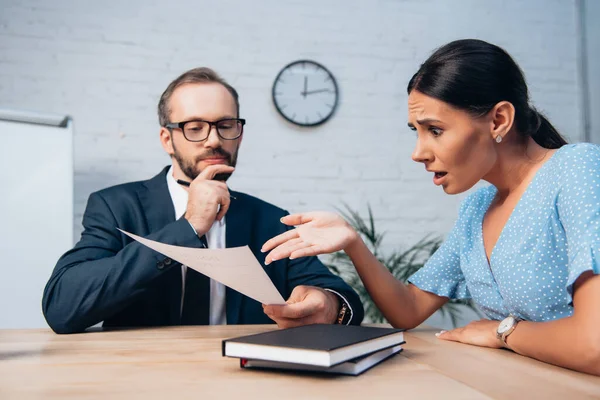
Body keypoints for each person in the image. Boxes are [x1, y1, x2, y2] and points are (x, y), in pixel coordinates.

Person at [262, 39, 600, 376]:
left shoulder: (577, 169)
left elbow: (593, 346)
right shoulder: (478, 207)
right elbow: (408, 310)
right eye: (417, 131)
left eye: (435, 130)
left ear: (498, 120)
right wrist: (352, 241)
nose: (418, 152)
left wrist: (504, 333)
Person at [42, 67, 363, 334]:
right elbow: (62, 306)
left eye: (226, 126)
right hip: (142, 378)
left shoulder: (269, 218)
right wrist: (188, 227)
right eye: (195, 127)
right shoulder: (116, 206)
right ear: (167, 139)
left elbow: (341, 298)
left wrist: (326, 304)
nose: (214, 139)